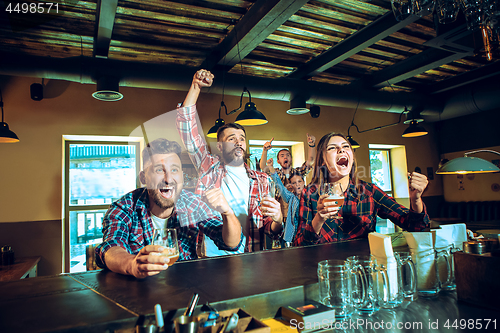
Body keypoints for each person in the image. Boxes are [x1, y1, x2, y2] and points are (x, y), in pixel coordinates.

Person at [95, 138, 242, 278]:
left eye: (174, 170)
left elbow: (231, 243)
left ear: (182, 176)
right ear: (144, 178)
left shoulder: (192, 203)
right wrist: (132, 265)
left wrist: (227, 213)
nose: (168, 179)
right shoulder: (124, 207)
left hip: (185, 290)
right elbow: (111, 247)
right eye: (159, 170)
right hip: (137, 294)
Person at [176, 69, 283, 254]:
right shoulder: (208, 166)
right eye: (231, 138)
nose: (238, 142)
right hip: (210, 256)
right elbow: (187, 128)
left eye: (241, 138)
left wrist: (278, 219)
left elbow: (271, 231)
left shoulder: (262, 179)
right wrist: (195, 87)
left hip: (250, 257)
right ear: (219, 147)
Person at [295, 132, 430, 246]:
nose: (341, 150)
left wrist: (416, 199)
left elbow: (417, 227)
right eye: (332, 148)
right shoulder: (310, 193)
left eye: (345, 146)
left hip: (362, 271)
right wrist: (319, 218)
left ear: (352, 157)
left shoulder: (369, 191)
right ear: (323, 160)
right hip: (324, 271)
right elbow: (299, 245)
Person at [266, 158, 305, 247]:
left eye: (299, 181)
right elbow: (280, 186)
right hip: (290, 237)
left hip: (305, 237)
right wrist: (271, 167)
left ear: (304, 182)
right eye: (294, 183)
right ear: (291, 186)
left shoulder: (310, 198)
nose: (298, 184)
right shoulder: (291, 197)